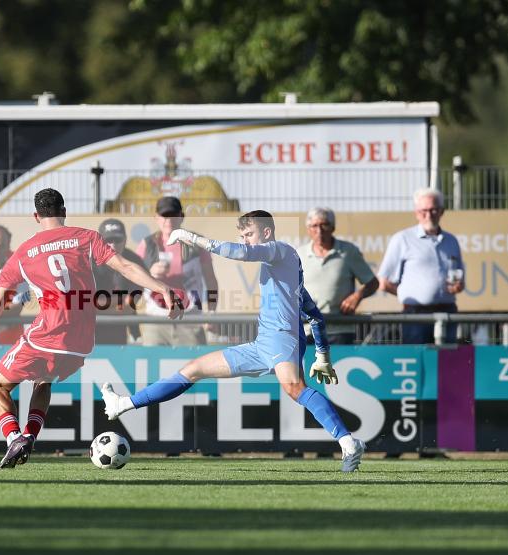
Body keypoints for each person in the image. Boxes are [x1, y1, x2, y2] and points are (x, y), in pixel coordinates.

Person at [102, 210, 367, 472]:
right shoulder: (283, 268)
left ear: (266, 232)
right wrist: (322, 355)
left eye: (249, 234)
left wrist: (192, 239)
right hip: (262, 345)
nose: (245, 241)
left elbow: (242, 254)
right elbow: (315, 315)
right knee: (193, 369)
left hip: (281, 338)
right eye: (241, 236)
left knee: (295, 389)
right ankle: (123, 404)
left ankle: (347, 442)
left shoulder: (279, 250)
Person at [0, 188, 181, 469]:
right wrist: (162, 287)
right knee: (44, 380)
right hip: (81, 342)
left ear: (36, 216)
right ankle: (28, 436)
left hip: (47, 334)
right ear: (64, 212)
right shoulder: (86, 238)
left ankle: (14, 436)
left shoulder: (25, 252)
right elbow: (125, 266)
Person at [377, 188, 465, 344]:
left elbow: (460, 278)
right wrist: (408, 294)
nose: (429, 215)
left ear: (442, 211)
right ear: (416, 213)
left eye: (433, 210)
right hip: (415, 315)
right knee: (418, 362)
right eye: (424, 211)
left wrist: (458, 286)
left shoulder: (451, 241)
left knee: (446, 363)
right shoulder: (402, 239)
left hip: (447, 312)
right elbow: (383, 282)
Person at [136, 196, 219, 346]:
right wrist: (150, 274)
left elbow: (211, 280)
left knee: (193, 366)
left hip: (190, 318)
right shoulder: (146, 244)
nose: (168, 220)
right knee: (152, 367)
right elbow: (133, 281)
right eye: (164, 215)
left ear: (181, 217)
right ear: (156, 218)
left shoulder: (197, 242)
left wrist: (211, 313)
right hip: (155, 320)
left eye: (173, 214)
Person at [298, 207, 379, 345]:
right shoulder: (299, 254)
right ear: (308, 229)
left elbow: (373, 283)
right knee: (307, 367)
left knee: (338, 367)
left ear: (333, 227)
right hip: (308, 330)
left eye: (324, 224)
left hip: (341, 329)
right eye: (314, 226)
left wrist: (357, 296)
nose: (319, 230)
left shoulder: (348, 251)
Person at [93, 218, 146, 344]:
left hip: (121, 330)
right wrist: (120, 299)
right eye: (108, 240)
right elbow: (86, 305)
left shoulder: (135, 262)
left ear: (125, 240)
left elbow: (129, 307)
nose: (113, 245)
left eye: (117, 240)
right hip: (89, 330)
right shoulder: (88, 262)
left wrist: (99, 305)